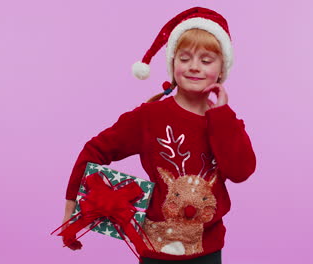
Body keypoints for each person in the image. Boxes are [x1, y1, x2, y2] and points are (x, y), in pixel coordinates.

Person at [61, 7, 256, 264]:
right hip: (155, 249)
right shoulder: (149, 117)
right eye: (184, 58)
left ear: (221, 69)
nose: (194, 67)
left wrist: (222, 116)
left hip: (207, 250)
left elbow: (240, 171)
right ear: (172, 64)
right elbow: (94, 150)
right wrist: (72, 208)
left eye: (206, 60)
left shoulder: (226, 122)